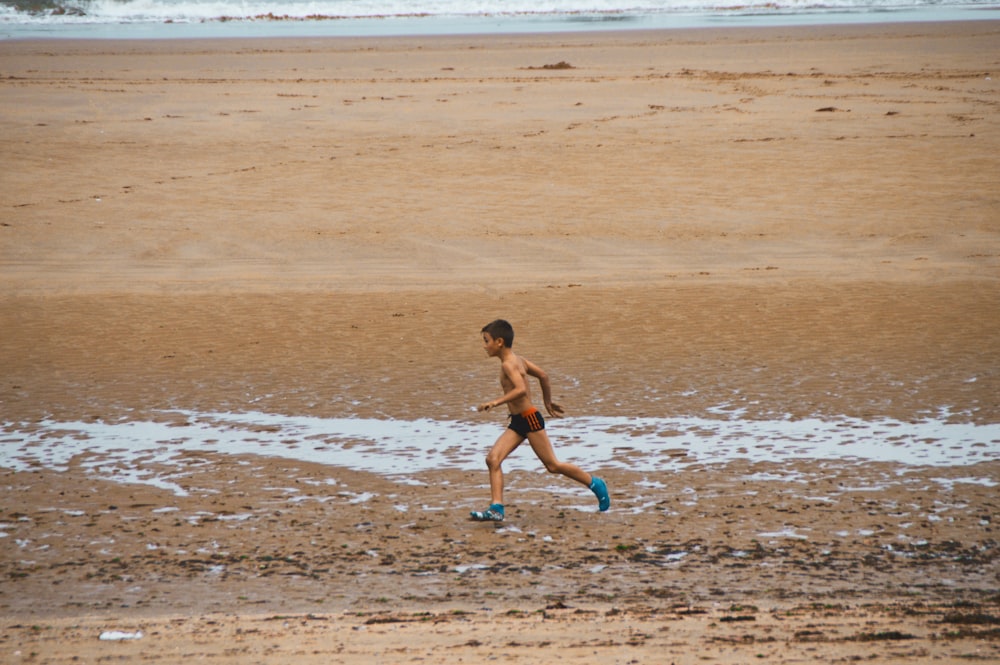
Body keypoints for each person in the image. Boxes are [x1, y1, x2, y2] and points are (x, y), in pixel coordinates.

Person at [471, 319, 610, 522]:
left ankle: (596, 483)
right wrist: (548, 403)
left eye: (486, 341)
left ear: (499, 342)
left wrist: (495, 402)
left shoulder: (510, 365)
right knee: (493, 459)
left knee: (552, 465)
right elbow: (543, 376)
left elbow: (520, 390)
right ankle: (496, 508)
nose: (484, 346)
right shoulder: (519, 360)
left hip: (530, 420)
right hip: (519, 421)